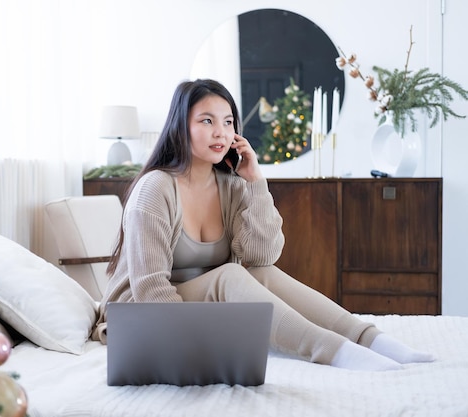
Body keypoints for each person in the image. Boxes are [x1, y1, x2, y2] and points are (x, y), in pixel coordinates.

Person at [92, 78, 434, 371]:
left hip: (191, 306)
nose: (221, 132)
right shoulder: (155, 189)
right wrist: (199, 345)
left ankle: (371, 339)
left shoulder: (229, 184)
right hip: (142, 316)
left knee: (259, 274)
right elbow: (151, 292)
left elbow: (261, 256)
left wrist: (256, 181)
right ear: (180, 126)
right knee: (229, 275)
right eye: (207, 121)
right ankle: (335, 353)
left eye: (228, 122)